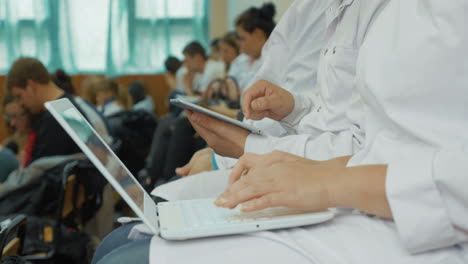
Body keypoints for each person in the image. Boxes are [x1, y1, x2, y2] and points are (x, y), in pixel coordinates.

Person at [93, 1, 468, 263]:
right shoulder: (370, 12)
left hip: (424, 226)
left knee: (126, 253)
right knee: (128, 239)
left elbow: (367, 137)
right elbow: (356, 118)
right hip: (375, 195)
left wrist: (255, 148)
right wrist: (293, 110)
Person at [6, 57, 86, 166]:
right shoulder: (66, 106)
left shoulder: (54, 120)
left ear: (31, 86)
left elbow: (37, 176)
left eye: (19, 96)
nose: (21, 103)